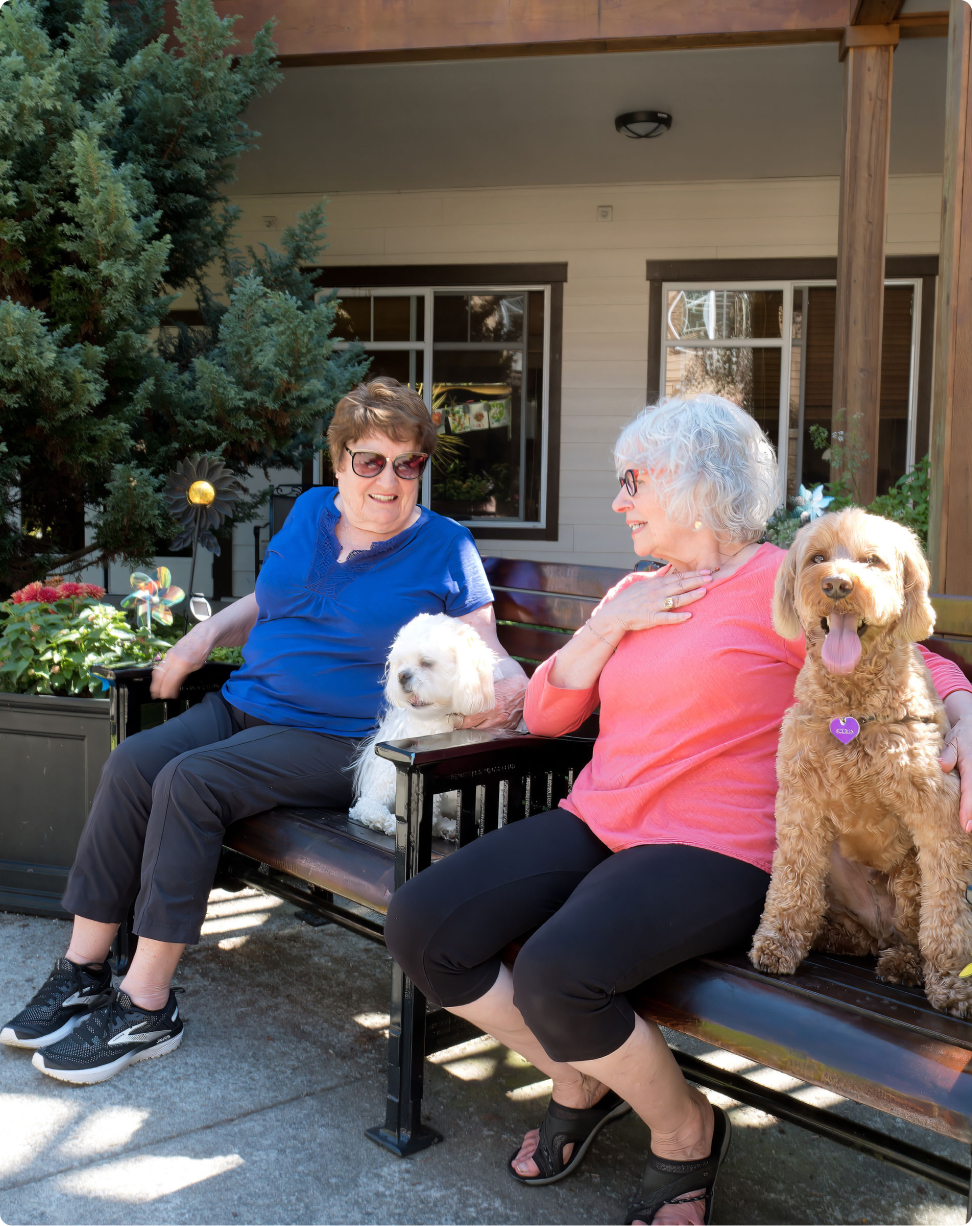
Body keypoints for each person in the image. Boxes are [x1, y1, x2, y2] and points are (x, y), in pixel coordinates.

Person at [384, 393, 972, 1226]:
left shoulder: (782, 582)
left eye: (633, 481)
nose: (619, 501)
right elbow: (550, 715)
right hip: (601, 817)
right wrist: (606, 626)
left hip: (718, 849)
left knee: (561, 971)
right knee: (423, 923)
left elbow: (902, 654)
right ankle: (580, 1075)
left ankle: (685, 1129)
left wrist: (963, 711)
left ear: (697, 484)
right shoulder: (635, 588)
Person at [0, 377, 527, 1086]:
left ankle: (147, 1004)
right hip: (245, 700)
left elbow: (483, 648)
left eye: (408, 464)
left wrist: (512, 684)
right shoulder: (311, 512)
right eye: (371, 461)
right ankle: (82, 970)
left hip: (335, 737)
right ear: (339, 462)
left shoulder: (444, 546)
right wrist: (201, 638)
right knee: (134, 765)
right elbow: (269, 597)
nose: (390, 480)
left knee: (190, 781)